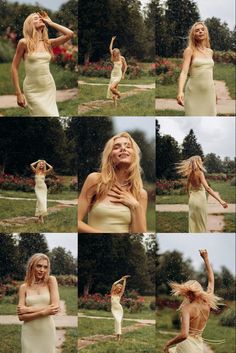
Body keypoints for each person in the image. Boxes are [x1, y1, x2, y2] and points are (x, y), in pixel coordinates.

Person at [78, 132, 148, 233]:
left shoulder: (141, 194)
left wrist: (135, 206)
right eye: (116, 147)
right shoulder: (95, 180)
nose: (123, 148)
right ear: (110, 156)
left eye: (128, 146)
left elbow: (139, 233)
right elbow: (77, 222)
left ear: (134, 156)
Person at [11, 11, 74, 116]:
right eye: (36, 18)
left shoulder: (48, 43)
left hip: (48, 87)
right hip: (32, 89)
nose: (40, 19)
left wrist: (51, 22)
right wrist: (18, 93)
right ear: (30, 24)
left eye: (41, 18)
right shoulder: (24, 43)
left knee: (53, 115)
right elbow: (14, 67)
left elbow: (70, 34)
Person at [163, 249, 223, 353]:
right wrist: (206, 259)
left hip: (186, 345)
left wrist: (168, 343)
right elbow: (211, 280)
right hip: (198, 346)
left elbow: (184, 335)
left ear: (189, 293)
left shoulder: (186, 309)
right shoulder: (207, 303)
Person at [17, 253, 60, 353]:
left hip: (46, 330)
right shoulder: (23, 287)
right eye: (39, 266)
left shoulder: (51, 281)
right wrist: (43, 312)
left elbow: (55, 308)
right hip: (29, 331)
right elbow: (21, 317)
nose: (42, 270)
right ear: (32, 266)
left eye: (45, 267)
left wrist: (28, 309)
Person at [176, 155, 228, 232]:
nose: (202, 162)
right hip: (200, 200)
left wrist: (190, 197)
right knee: (201, 224)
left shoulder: (190, 174)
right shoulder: (200, 173)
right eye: (200, 160)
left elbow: (187, 188)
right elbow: (207, 188)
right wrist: (220, 200)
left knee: (193, 223)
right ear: (197, 162)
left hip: (192, 201)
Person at [177, 22, 216, 116]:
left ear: (206, 33)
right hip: (193, 92)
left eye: (202, 30)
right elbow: (184, 72)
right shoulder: (189, 50)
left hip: (209, 93)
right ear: (193, 34)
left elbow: (209, 73)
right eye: (197, 30)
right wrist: (180, 91)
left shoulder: (210, 52)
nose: (200, 32)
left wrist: (214, 91)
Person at [107, 36, 128, 104]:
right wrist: (112, 40)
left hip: (119, 74)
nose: (114, 55)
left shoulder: (122, 58)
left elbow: (126, 66)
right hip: (113, 74)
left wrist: (123, 74)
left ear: (118, 53)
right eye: (114, 54)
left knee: (111, 88)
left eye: (116, 53)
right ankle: (115, 103)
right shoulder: (113, 57)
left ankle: (119, 94)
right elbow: (110, 48)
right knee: (114, 89)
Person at [111, 275, 130, 341]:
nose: (120, 289)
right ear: (116, 288)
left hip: (119, 309)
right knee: (117, 321)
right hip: (113, 309)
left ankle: (118, 336)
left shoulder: (120, 295)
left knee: (118, 322)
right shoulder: (112, 293)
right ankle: (117, 334)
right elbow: (114, 284)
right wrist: (121, 279)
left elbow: (124, 287)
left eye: (120, 288)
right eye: (119, 287)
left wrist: (124, 280)